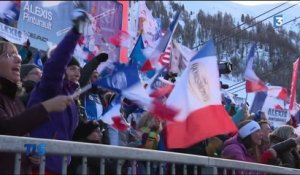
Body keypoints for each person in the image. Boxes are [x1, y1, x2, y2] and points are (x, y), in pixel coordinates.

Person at [27, 9, 90, 174]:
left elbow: (65, 132)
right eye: (73, 68)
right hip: (40, 166)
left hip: (60, 166)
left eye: (79, 69)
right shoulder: (50, 88)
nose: (78, 73)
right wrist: (76, 32)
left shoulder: (72, 97)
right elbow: (57, 63)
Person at [0, 41, 74, 174]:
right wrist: (46, 107)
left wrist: (31, 156)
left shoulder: (15, 100)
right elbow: (6, 129)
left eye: (18, 55)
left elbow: (22, 137)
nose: (18, 59)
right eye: (9, 55)